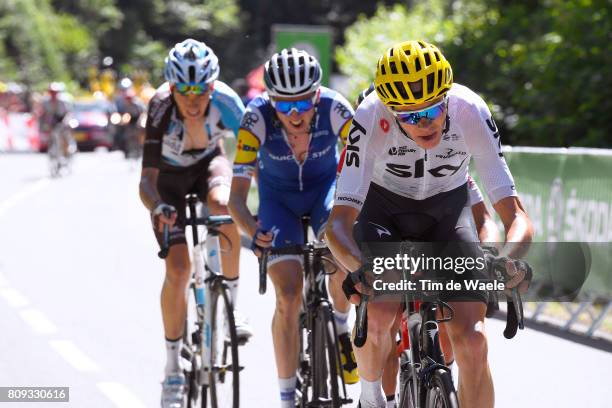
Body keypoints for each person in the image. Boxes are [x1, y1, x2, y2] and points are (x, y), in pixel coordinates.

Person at [326, 40, 533, 408]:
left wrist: (506, 259)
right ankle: (371, 400)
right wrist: (359, 269)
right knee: (381, 311)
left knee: (473, 341)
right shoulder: (371, 116)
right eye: (409, 116)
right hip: (383, 213)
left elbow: (515, 215)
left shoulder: (470, 110)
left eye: (434, 109)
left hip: (447, 214)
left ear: (447, 98)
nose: (425, 122)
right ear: (391, 110)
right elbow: (338, 223)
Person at [228, 48, 359, 407]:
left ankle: (341, 323)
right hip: (278, 202)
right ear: (270, 101)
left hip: (325, 193)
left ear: (317, 95)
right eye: (284, 106)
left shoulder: (335, 108)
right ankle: (287, 396)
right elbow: (236, 199)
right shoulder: (255, 118)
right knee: (287, 295)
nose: (296, 113)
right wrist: (253, 231)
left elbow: (365, 166)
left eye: (304, 102)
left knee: (340, 251)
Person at [138, 38, 252, 408]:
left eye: (201, 90)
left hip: (208, 166)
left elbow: (258, 152)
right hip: (167, 182)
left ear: (212, 86)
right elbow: (146, 181)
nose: (193, 99)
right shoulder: (158, 107)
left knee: (225, 206)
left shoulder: (226, 102)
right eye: (183, 91)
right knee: (179, 268)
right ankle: (172, 367)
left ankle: (231, 306)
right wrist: (156, 207)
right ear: (171, 87)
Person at [39, 82, 74, 155]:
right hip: (52, 119)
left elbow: (68, 113)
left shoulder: (63, 101)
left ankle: (67, 149)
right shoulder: (45, 102)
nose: (53, 94)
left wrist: (65, 122)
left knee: (64, 133)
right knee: (51, 133)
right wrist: (44, 125)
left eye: (55, 92)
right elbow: (43, 114)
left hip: (62, 118)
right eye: (51, 92)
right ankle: (53, 149)